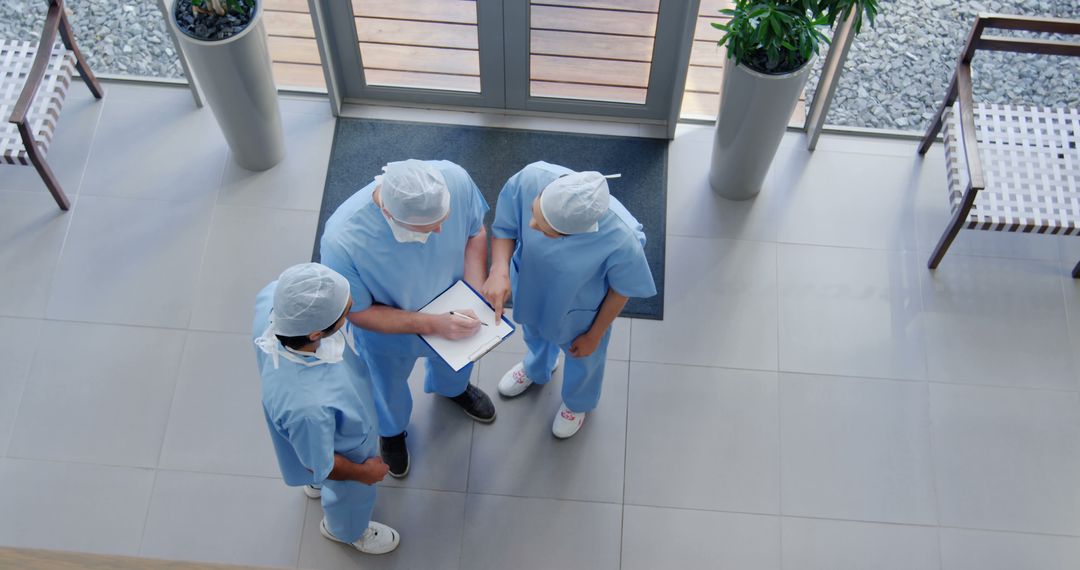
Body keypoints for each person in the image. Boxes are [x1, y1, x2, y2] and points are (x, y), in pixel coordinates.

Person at [320, 159, 495, 478]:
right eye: (429, 227)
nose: (442, 230)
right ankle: (392, 431)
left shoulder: (455, 179)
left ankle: (453, 389)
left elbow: (475, 233)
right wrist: (433, 324)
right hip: (389, 336)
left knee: (456, 364)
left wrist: (473, 294)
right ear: (389, 214)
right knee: (387, 387)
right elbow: (358, 312)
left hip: (456, 312)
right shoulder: (343, 241)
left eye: (443, 218)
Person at [482, 162, 656, 438]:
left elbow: (621, 290)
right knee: (535, 332)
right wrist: (499, 269)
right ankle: (538, 366)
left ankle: (577, 404)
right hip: (532, 286)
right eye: (534, 211)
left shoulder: (621, 239)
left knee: (583, 356)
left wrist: (595, 335)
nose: (531, 225)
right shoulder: (531, 179)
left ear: (575, 234)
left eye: (543, 229)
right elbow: (505, 228)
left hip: (580, 312)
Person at [253, 263, 398, 554]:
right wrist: (362, 473)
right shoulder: (308, 406)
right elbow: (322, 461)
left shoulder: (275, 300)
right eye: (345, 311)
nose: (352, 306)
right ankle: (345, 529)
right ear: (317, 334)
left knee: (306, 449)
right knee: (347, 493)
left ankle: (315, 485)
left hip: (312, 427)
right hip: (346, 453)